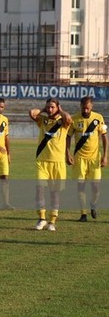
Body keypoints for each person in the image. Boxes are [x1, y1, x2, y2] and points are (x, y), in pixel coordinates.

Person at [29, 98, 73, 231]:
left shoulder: (63, 122)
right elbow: (32, 113)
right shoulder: (43, 120)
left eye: (52, 107)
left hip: (58, 162)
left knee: (55, 193)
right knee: (40, 189)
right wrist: (44, 110)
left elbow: (69, 119)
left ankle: (52, 221)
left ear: (58, 107)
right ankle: (42, 218)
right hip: (42, 161)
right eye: (48, 107)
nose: (50, 109)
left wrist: (61, 110)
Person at [66, 96, 108, 222]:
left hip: (95, 159)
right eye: (83, 108)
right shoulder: (74, 119)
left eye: (87, 108)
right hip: (79, 159)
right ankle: (83, 214)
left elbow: (105, 137)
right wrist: (67, 153)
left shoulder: (98, 118)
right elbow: (68, 137)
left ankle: (93, 203)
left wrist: (105, 156)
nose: (85, 111)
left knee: (96, 187)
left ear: (92, 107)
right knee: (80, 187)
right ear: (80, 106)